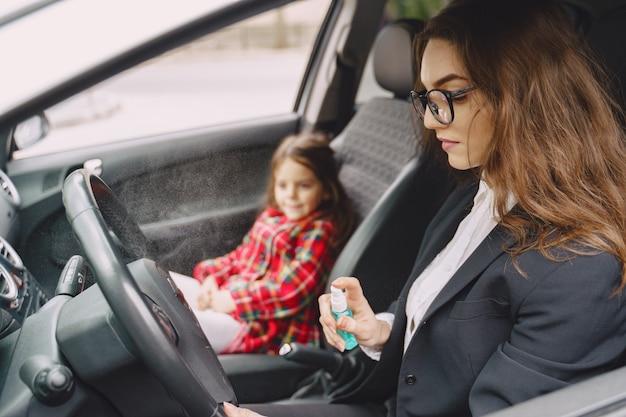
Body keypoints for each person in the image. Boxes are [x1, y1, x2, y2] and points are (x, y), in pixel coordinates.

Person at [224, 0, 626, 416]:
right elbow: (438, 311)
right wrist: (380, 330)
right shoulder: (475, 194)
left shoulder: (581, 266)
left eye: (450, 95)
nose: (432, 121)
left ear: (522, 94)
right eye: (426, 97)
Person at [172, 131, 355, 354]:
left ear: (326, 190)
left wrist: (235, 300)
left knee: (172, 322)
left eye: (304, 186)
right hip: (230, 302)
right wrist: (212, 277)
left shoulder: (319, 230)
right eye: (283, 185)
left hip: (266, 329)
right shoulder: (274, 216)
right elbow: (241, 256)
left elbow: (291, 290)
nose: (291, 195)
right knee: (162, 284)